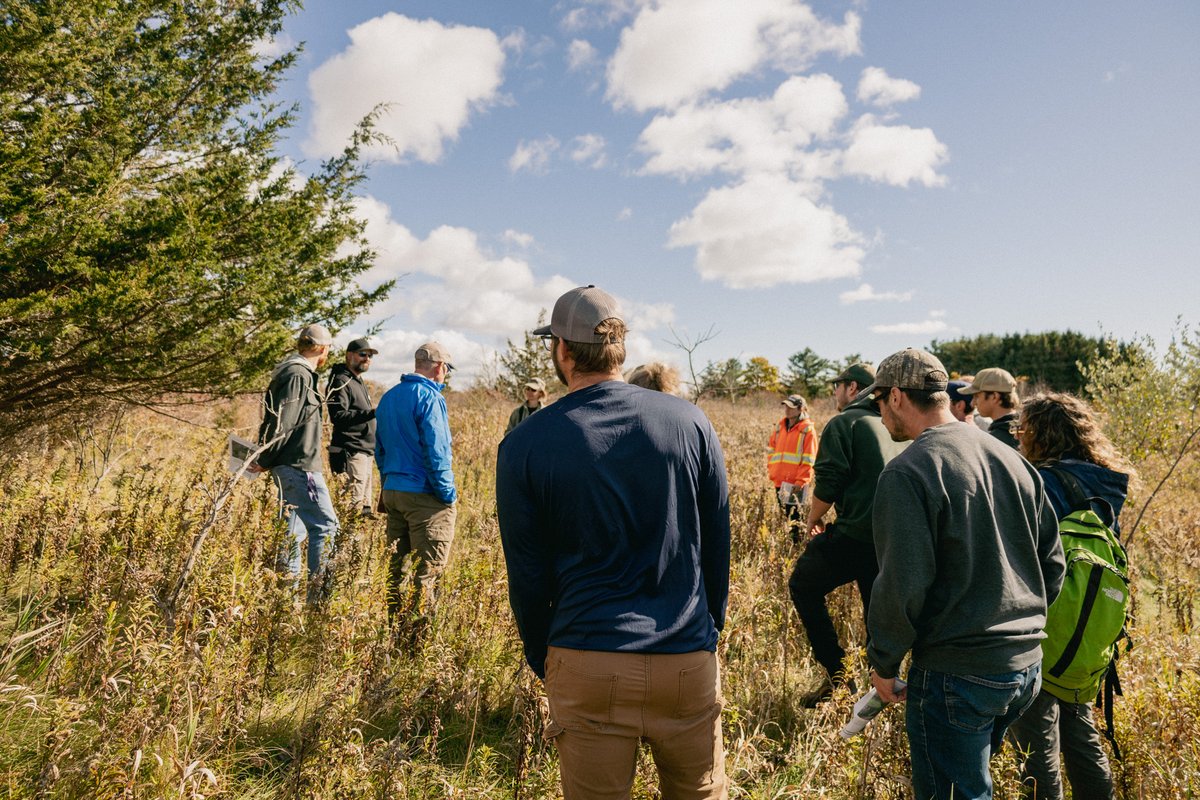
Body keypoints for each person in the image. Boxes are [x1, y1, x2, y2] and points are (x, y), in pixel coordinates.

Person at [497, 285, 731, 800]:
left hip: (586, 653)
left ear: (562, 350)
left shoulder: (526, 443)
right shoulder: (690, 422)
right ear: (619, 347)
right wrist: (706, 630)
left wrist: (549, 657)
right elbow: (717, 542)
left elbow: (528, 571)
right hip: (686, 655)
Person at [866, 348, 1066, 800]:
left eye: (878, 401)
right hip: (1025, 667)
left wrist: (883, 662)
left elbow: (902, 583)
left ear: (897, 396)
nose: (879, 414)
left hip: (958, 674)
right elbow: (1053, 564)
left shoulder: (908, 472)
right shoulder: (1012, 459)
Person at [1007, 392, 1133, 800]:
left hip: (1047, 618)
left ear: (1040, 434)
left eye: (1022, 429)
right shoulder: (1107, 481)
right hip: (1092, 622)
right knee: (1078, 723)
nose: (1018, 436)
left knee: (1035, 735)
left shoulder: (1041, 480)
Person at [788, 362, 907, 705]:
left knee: (803, 584)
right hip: (891, 540)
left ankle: (837, 677)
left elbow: (828, 480)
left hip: (855, 535)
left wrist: (812, 519)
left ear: (853, 388)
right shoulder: (897, 426)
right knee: (876, 618)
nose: (835, 392)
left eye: (838, 385)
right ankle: (878, 693)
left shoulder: (846, 422)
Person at [251, 323, 340, 593]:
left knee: (292, 532)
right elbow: (283, 423)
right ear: (323, 350)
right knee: (326, 527)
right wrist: (265, 458)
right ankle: (318, 604)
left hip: (291, 464)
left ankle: (284, 599)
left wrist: (265, 457)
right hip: (299, 466)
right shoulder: (298, 374)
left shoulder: (294, 372)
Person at [374, 341, 457, 622]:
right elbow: (437, 452)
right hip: (424, 496)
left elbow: (380, 449)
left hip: (394, 491)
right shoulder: (430, 398)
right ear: (440, 367)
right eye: (446, 369)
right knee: (428, 572)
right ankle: (417, 643)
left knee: (397, 569)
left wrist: (387, 483)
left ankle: (393, 628)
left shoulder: (389, 397)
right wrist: (447, 494)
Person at [327, 337, 378, 516]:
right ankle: (343, 544)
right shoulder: (341, 380)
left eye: (370, 355)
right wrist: (373, 413)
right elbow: (338, 416)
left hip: (364, 453)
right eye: (363, 354)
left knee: (364, 512)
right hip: (350, 452)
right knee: (351, 511)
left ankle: (355, 545)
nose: (367, 359)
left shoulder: (357, 380)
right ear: (350, 356)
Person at [767, 394, 817, 543]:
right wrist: (772, 470)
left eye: (791, 407)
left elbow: (810, 459)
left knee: (796, 521)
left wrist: (801, 481)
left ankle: (796, 550)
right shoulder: (780, 427)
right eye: (786, 406)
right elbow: (771, 450)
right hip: (780, 481)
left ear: (801, 409)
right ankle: (788, 547)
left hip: (796, 484)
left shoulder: (807, 430)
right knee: (785, 517)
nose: (787, 410)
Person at [959, 367, 1021, 448]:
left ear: (994, 397)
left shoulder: (998, 440)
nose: (972, 403)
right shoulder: (1022, 428)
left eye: (977, 396)